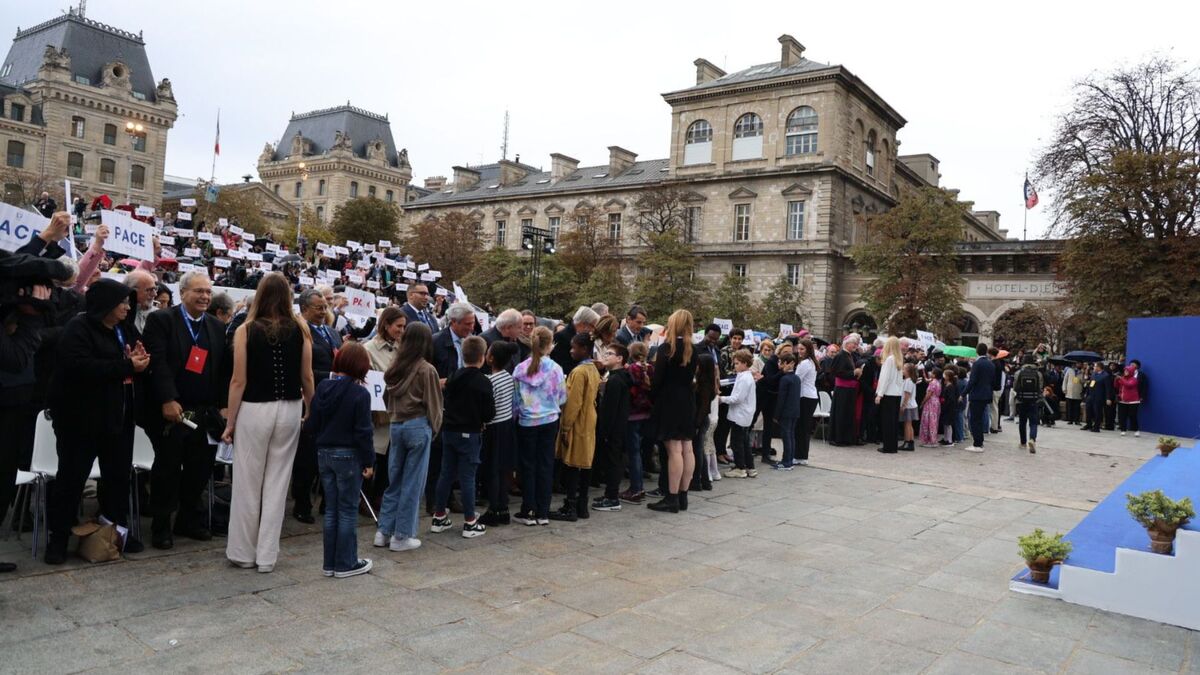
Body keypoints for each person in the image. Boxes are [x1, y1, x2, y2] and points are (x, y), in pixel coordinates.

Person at [44, 279, 149, 563]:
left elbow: (128, 363)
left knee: (117, 480)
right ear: (105, 305)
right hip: (80, 422)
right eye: (122, 302)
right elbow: (79, 367)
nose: (128, 307)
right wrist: (127, 366)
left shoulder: (124, 329)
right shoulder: (78, 329)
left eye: (129, 301)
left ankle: (117, 535)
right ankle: (59, 538)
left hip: (118, 419)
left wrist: (139, 361)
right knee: (71, 481)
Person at [222, 273, 314, 573]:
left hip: (254, 409)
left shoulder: (246, 330)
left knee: (247, 482)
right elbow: (307, 377)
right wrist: (311, 407)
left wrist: (230, 422)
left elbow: (238, 381)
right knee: (277, 483)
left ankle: (243, 552)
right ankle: (266, 556)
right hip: (289, 409)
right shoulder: (301, 329)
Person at [142, 270, 229, 549]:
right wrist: (168, 398)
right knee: (167, 468)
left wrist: (224, 406)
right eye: (198, 291)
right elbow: (158, 363)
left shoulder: (216, 326)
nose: (205, 296)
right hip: (176, 411)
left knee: (199, 467)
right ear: (183, 294)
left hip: (203, 412)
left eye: (208, 291)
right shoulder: (162, 320)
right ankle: (161, 525)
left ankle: (189, 520)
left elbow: (223, 370)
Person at [304, 342, 375, 578]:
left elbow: (312, 422)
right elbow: (363, 431)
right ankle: (346, 563)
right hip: (348, 454)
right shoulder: (360, 393)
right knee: (347, 510)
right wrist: (369, 461)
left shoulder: (324, 386)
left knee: (332, 510)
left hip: (324, 452)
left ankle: (330, 563)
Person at [377, 323, 442, 552]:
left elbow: (386, 398)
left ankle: (384, 531)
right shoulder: (427, 369)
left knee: (394, 481)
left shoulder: (395, 367)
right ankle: (402, 536)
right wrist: (433, 429)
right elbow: (434, 404)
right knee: (413, 483)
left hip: (396, 425)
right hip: (417, 425)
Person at [431, 335, 494, 538]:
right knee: (468, 477)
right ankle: (470, 521)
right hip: (470, 432)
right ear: (483, 357)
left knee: (446, 473)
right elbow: (489, 413)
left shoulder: (453, 376)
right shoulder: (483, 382)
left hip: (449, 430)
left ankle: (439, 515)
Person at [292, 289, 342, 524]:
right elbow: (303, 370)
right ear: (304, 309)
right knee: (307, 456)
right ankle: (302, 503)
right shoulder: (301, 332)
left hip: (335, 401)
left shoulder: (332, 332)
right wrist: (332, 375)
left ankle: (327, 501)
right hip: (311, 400)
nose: (323, 311)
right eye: (318, 308)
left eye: (325, 307)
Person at [513, 326, 567, 525]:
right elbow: (562, 397)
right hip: (549, 420)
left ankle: (528, 509)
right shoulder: (556, 369)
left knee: (528, 466)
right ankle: (543, 511)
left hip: (527, 421)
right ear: (550, 344)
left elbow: (515, 400)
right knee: (546, 464)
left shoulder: (520, 369)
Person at [646, 310, 699, 513]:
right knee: (688, 448)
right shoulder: (692, 349)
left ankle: (672, 497)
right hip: (687, 400)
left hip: (669, 401)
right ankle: (683, 496)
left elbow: (658, 380)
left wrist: (652, 396)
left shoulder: (667, 348)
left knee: (674, 450)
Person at [551, 334, 601, 522]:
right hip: (589, 420)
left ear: (585, 349)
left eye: (574, 347)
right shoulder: (593, 369)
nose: (571, 351)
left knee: (573, 463)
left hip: (578, 422)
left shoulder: (579, 372)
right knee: (585, 463)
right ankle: (582, 505)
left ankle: (571, 505)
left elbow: (573, 402)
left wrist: (565, 427)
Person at [364, 307, 405, 507]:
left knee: (391, 458)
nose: (402, 330)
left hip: (398, 410)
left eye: (404, 326)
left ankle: (380, 494)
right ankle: (365, 496)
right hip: (377, 412)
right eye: (398, 326)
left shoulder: (402, 348)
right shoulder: (368, 348)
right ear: (386, 325)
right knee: (373, 455)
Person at [479, 341, 519, 526]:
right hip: (507, 425)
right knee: (504, 468)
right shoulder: (509, 377)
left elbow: (488, 408)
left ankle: (494, 508)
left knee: (492, 470)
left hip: (493, 428)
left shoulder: (489, 381)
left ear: (491, 358)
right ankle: (503, 507)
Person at [594, 343, 632, 509]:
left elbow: (610, 409)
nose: (606, 355)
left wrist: (604, 431)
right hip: (619, 427)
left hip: (614, 429)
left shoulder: (616, 379)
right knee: (613, 461)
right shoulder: (618, 376)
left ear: (619, 359)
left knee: (613, 462)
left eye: (610, 353)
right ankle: (610, 494)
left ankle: (612, 497)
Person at [621, 342, 653, 504]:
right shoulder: (650, 368)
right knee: (638, 451)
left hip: (632, 414)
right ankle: (638, 486)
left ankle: (636, 488)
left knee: (633, 454)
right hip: (646, 414)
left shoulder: (631, 369)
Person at [721, 349, 758, 479]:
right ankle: (750, 467)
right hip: (745, 414)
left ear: (744, 363)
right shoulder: (745, 376)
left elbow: (737, 398)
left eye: (736, 363)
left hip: (740, 415)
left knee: (737, 443)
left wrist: (722, 399)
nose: (734, 366)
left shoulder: (744, 378)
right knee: (744, 442)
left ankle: (740, 467)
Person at [693, 354, 721, 485]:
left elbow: (704, 407)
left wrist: (697, 424)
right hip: (703, 419)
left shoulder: (704, 383)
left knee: (699, 450)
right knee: (700, 450)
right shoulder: (706, 381)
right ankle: (704, 478)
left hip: (701, 420)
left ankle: (700, 479)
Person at [962, 344, 995, 452]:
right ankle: (979, 442)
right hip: (987, 394)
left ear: (977, 351)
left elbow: (972, 381)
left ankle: (977, 443)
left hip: (977, 394)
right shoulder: (990, 364)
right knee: (979, 418)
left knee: (974, 419)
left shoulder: (977, 364)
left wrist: (963, 393)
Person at [874, 336, 904, 454]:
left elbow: (885, 379)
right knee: (893, 421)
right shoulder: (898, 359)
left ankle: (887, 446)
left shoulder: (889, 360)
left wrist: (879, 394)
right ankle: (892, 446)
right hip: (896, 394)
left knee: (887, 421)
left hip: (888, 393)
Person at [829, 334, 861, 445]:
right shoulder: (840, 355)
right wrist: (853, 372)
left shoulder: (849, 355)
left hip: (849, 390)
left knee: (847, 414)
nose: (856, 346)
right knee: (841, 414)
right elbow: (836, 372)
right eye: (854, 343)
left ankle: (846, 438)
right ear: (847, 344)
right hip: (842, 389)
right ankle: (838, 438)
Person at [793, 339, 820, 466]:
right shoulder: (811, 362)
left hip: (805, 397)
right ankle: (802, 455)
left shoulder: (805, 363)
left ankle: (799, 456)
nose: (799, 351)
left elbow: (796, 379)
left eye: (802, 349)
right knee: (804, 428)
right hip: (810, 396)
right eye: (798, 349)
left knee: (801, 428)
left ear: (808, 350)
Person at [550, 305, 598, 375]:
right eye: (593, 326)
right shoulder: (561, 337)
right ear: (584, 324)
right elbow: (561, 366)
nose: (593, 330)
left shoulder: (587, 338)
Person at [772, 352, 800, 469]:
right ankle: (789, 460)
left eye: (780, 362)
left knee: (786, 436)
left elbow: (781, 399)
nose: (779, 364)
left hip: (786, 412)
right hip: (795, 411)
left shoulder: (784, 379)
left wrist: (776, 415)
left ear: (785, 363)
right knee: (791, 435)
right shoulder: (796, 378)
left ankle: (786, 462)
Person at [1083, 362, 1111, 433]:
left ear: (1099, 367)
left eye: (1095, 366)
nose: (1094, 368)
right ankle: (1088, 424)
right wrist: (1087, 394)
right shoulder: (1093, 374)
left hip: (1099, 397)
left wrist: (1108, 398)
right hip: (1090, 396)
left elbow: (1108, 388)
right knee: (1088, 410)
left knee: (1097, 412)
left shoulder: (1105, 375)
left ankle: (1096, 427)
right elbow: (1091, 384)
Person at [1115, 365, 1142, 437]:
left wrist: (1121, 379)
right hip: (1123, 400)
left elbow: (1128, 385)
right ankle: (1123, 430)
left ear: (1130, 372)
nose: (1125, 372)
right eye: (1125, 371)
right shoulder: (1122, 378)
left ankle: (1136, 430)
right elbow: (1116, 386)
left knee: (1132, 416)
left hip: (1133, 401)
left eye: (1127, 371)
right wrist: (1116, 380)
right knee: (1122, 416)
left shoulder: (1134, 379)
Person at [919, 368, 943, 448]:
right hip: (936, 402)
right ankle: (933, 439)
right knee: (934, 421)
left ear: (935, 374)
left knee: (929, 421)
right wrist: (923, 374)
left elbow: (928, 394)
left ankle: (930, 440)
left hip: (930, 403)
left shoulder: (932, 383)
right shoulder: (937, 382)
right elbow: (927, 380)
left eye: (932, 372)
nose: (930, 373)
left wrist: (922, 402)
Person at [899, 363, 919, 452]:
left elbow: (907, 395)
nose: (902, 371)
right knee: (909, 424)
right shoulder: (910, 380)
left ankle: (907, 442)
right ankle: (910, 442)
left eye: (904, 369)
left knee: (907, 425)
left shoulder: (908, 381)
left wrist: (903, 406)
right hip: (911, 405)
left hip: (908, 406)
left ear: (908, 371)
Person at [939, 368, 959, 446]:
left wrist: (945, 404)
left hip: (949, 408)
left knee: (948, 424)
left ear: (947, 377)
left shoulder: (950, 386)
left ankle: (950, 440)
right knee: (945, 424)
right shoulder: (946, 385)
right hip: (946, 407)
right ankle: (946, 438)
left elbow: (951, 399)